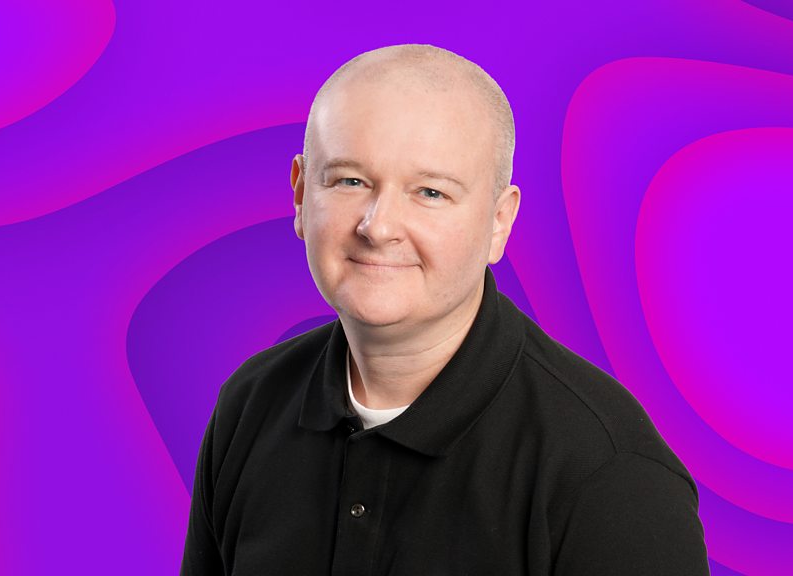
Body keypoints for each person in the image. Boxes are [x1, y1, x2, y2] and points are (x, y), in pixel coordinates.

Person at [181, 43, 709, 575]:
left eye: (430, 192)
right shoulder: (251, 404)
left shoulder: (609, 475)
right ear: (300, 196)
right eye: (350, 181)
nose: (378, 226)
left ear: (499, 222)